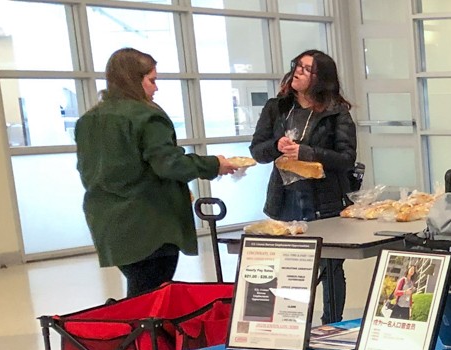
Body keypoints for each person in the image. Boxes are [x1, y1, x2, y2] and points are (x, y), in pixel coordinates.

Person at [75, 48, 236, 297]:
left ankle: (136, 334)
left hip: (106, 222)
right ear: (133, 79)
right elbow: (169, 164)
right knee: (150, 299)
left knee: (140, 292)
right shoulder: (146, 116)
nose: (155, 88)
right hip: (149, 223)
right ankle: (139, 337)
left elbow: (92, 170)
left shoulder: (87, 120)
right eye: (152, 80)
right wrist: (214, 164)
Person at [251, 50, 357, 324]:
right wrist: (276, 146)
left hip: (324, 201)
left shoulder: (336, 113)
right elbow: (257, 151)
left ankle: (331, 324)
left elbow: (346, 159)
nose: (298, 72)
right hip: (285, 199)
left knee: (330, 266)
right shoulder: (277, 107)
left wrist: (308, 153)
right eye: (298, 66)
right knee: (288, 266)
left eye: (307, 69)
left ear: (320, 79)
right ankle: (290, 325)